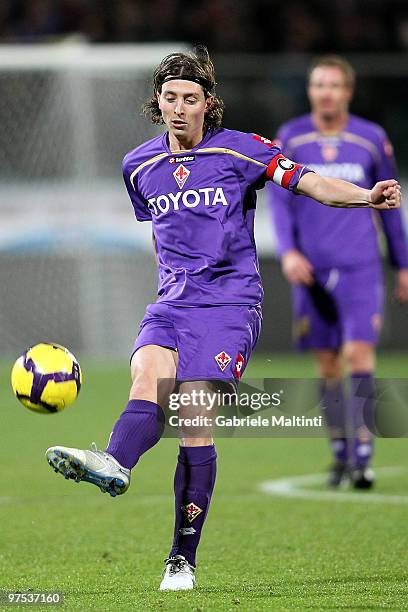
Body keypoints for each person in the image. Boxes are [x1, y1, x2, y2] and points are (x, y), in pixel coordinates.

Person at [45, 47, 401, 591]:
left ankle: (180, 559)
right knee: (146, 379)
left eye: (191, 99)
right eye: (171, 98)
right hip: (169, 303)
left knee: (193, 413)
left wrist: (364, 196)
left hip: (231, 305)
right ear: (158, 103)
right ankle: (115, 462)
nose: (180, 107)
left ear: (207, 104)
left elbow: (309, 182)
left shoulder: (241, 150)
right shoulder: (138, 166)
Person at [268, 55, 408, 490]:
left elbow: (389, 205)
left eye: (332, 85)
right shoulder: (291, 136)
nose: (324, 92)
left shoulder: (371, 138)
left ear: (347, 91)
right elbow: (280, 201)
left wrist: (403, 265)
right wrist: (288, 252)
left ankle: (363, 460)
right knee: (327, 365)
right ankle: (341, 452)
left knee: (358, 357)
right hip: (311, 268)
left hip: (360, 265)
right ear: (310, 91)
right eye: (317, 85)